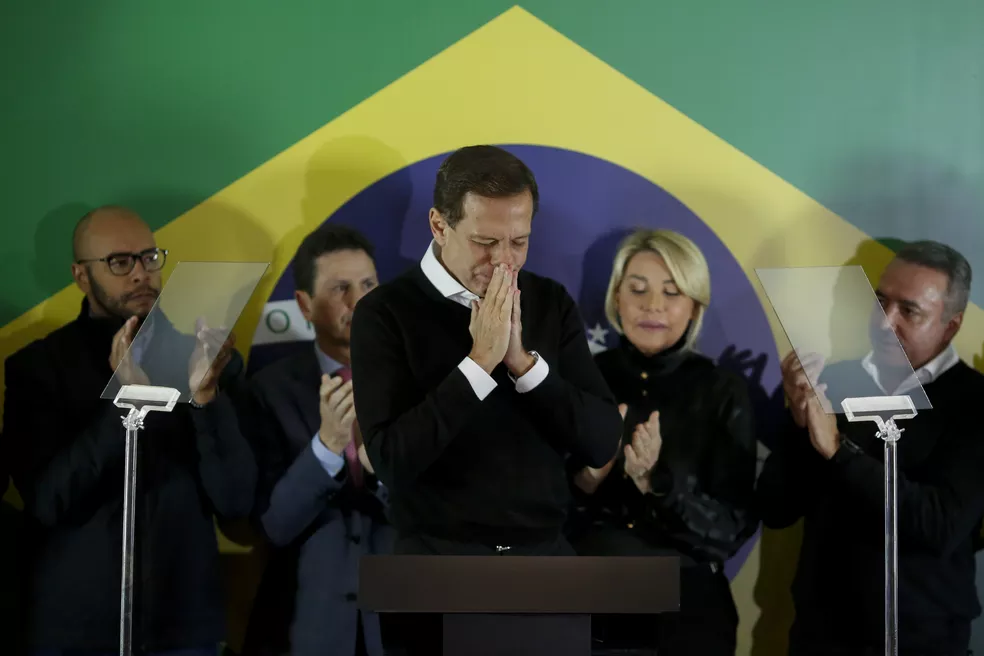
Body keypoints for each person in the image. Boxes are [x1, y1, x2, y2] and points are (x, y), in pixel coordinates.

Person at [3, 206, 256, 656]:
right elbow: (47, 501)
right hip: (78, 629)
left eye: (149, 257)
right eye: (120, 262)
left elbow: (236, 500)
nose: (141, 273)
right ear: (81, 276)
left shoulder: (208, 359)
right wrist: (125, 402)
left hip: (185, 627)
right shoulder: (38, 367)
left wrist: (205, 400)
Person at [349, 145, 623, 557]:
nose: (504, 261)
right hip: (435, 558)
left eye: (519, 241)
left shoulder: (549, 301)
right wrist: (479, 364)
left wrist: (523, 365)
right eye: (485, 242)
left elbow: (601, 442)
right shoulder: (383, 313)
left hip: (544, 554)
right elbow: (390, 462)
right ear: (439, 226)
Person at [756, 240, 984, 656]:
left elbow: (940, 526)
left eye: (909, 311)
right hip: (820, 637)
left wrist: (838, 451)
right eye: (880, 301)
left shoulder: (975, 402)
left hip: (925, 641)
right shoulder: (831, 382)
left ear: (951, 326)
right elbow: (775, 508)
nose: (884, 321)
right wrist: (799, 423)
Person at [566, 229, 756, 655]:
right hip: (588, 593)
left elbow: (729, 530)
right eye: (638, 289)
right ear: (616, 298)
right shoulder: (582, 378)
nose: (653, 305)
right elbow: (538, 509)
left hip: (683, 604)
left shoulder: (721, 390)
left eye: (671, 293)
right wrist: (592, 473)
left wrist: (654, 481)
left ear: (694, 307)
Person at [239, 224, 392, 656]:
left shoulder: (417, 383)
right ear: (304, 305)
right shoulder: (267, 392)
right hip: (306, 627)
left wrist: (383, 473)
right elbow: (273, 526)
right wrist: (326, 446)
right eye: (340, 288)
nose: (359, 301)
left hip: (401, 626)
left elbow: (439, 512)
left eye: (368, 285)